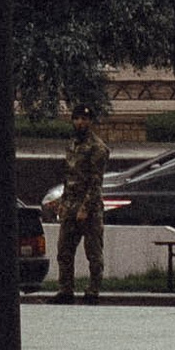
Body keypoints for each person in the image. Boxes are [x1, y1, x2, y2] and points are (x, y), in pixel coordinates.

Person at [53, 107, 110, 303]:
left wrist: (85, 208)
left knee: (93, 252)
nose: (79, 123)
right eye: (76, 118)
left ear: (90, 121)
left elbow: (96, 181)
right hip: (70, 204)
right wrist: (62, 202)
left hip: (90, 208)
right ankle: (65, 290)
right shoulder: (72, 144)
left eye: (84, 119)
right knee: (64, 250)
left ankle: (93, 291)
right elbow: (69, 177)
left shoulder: (98, 147)